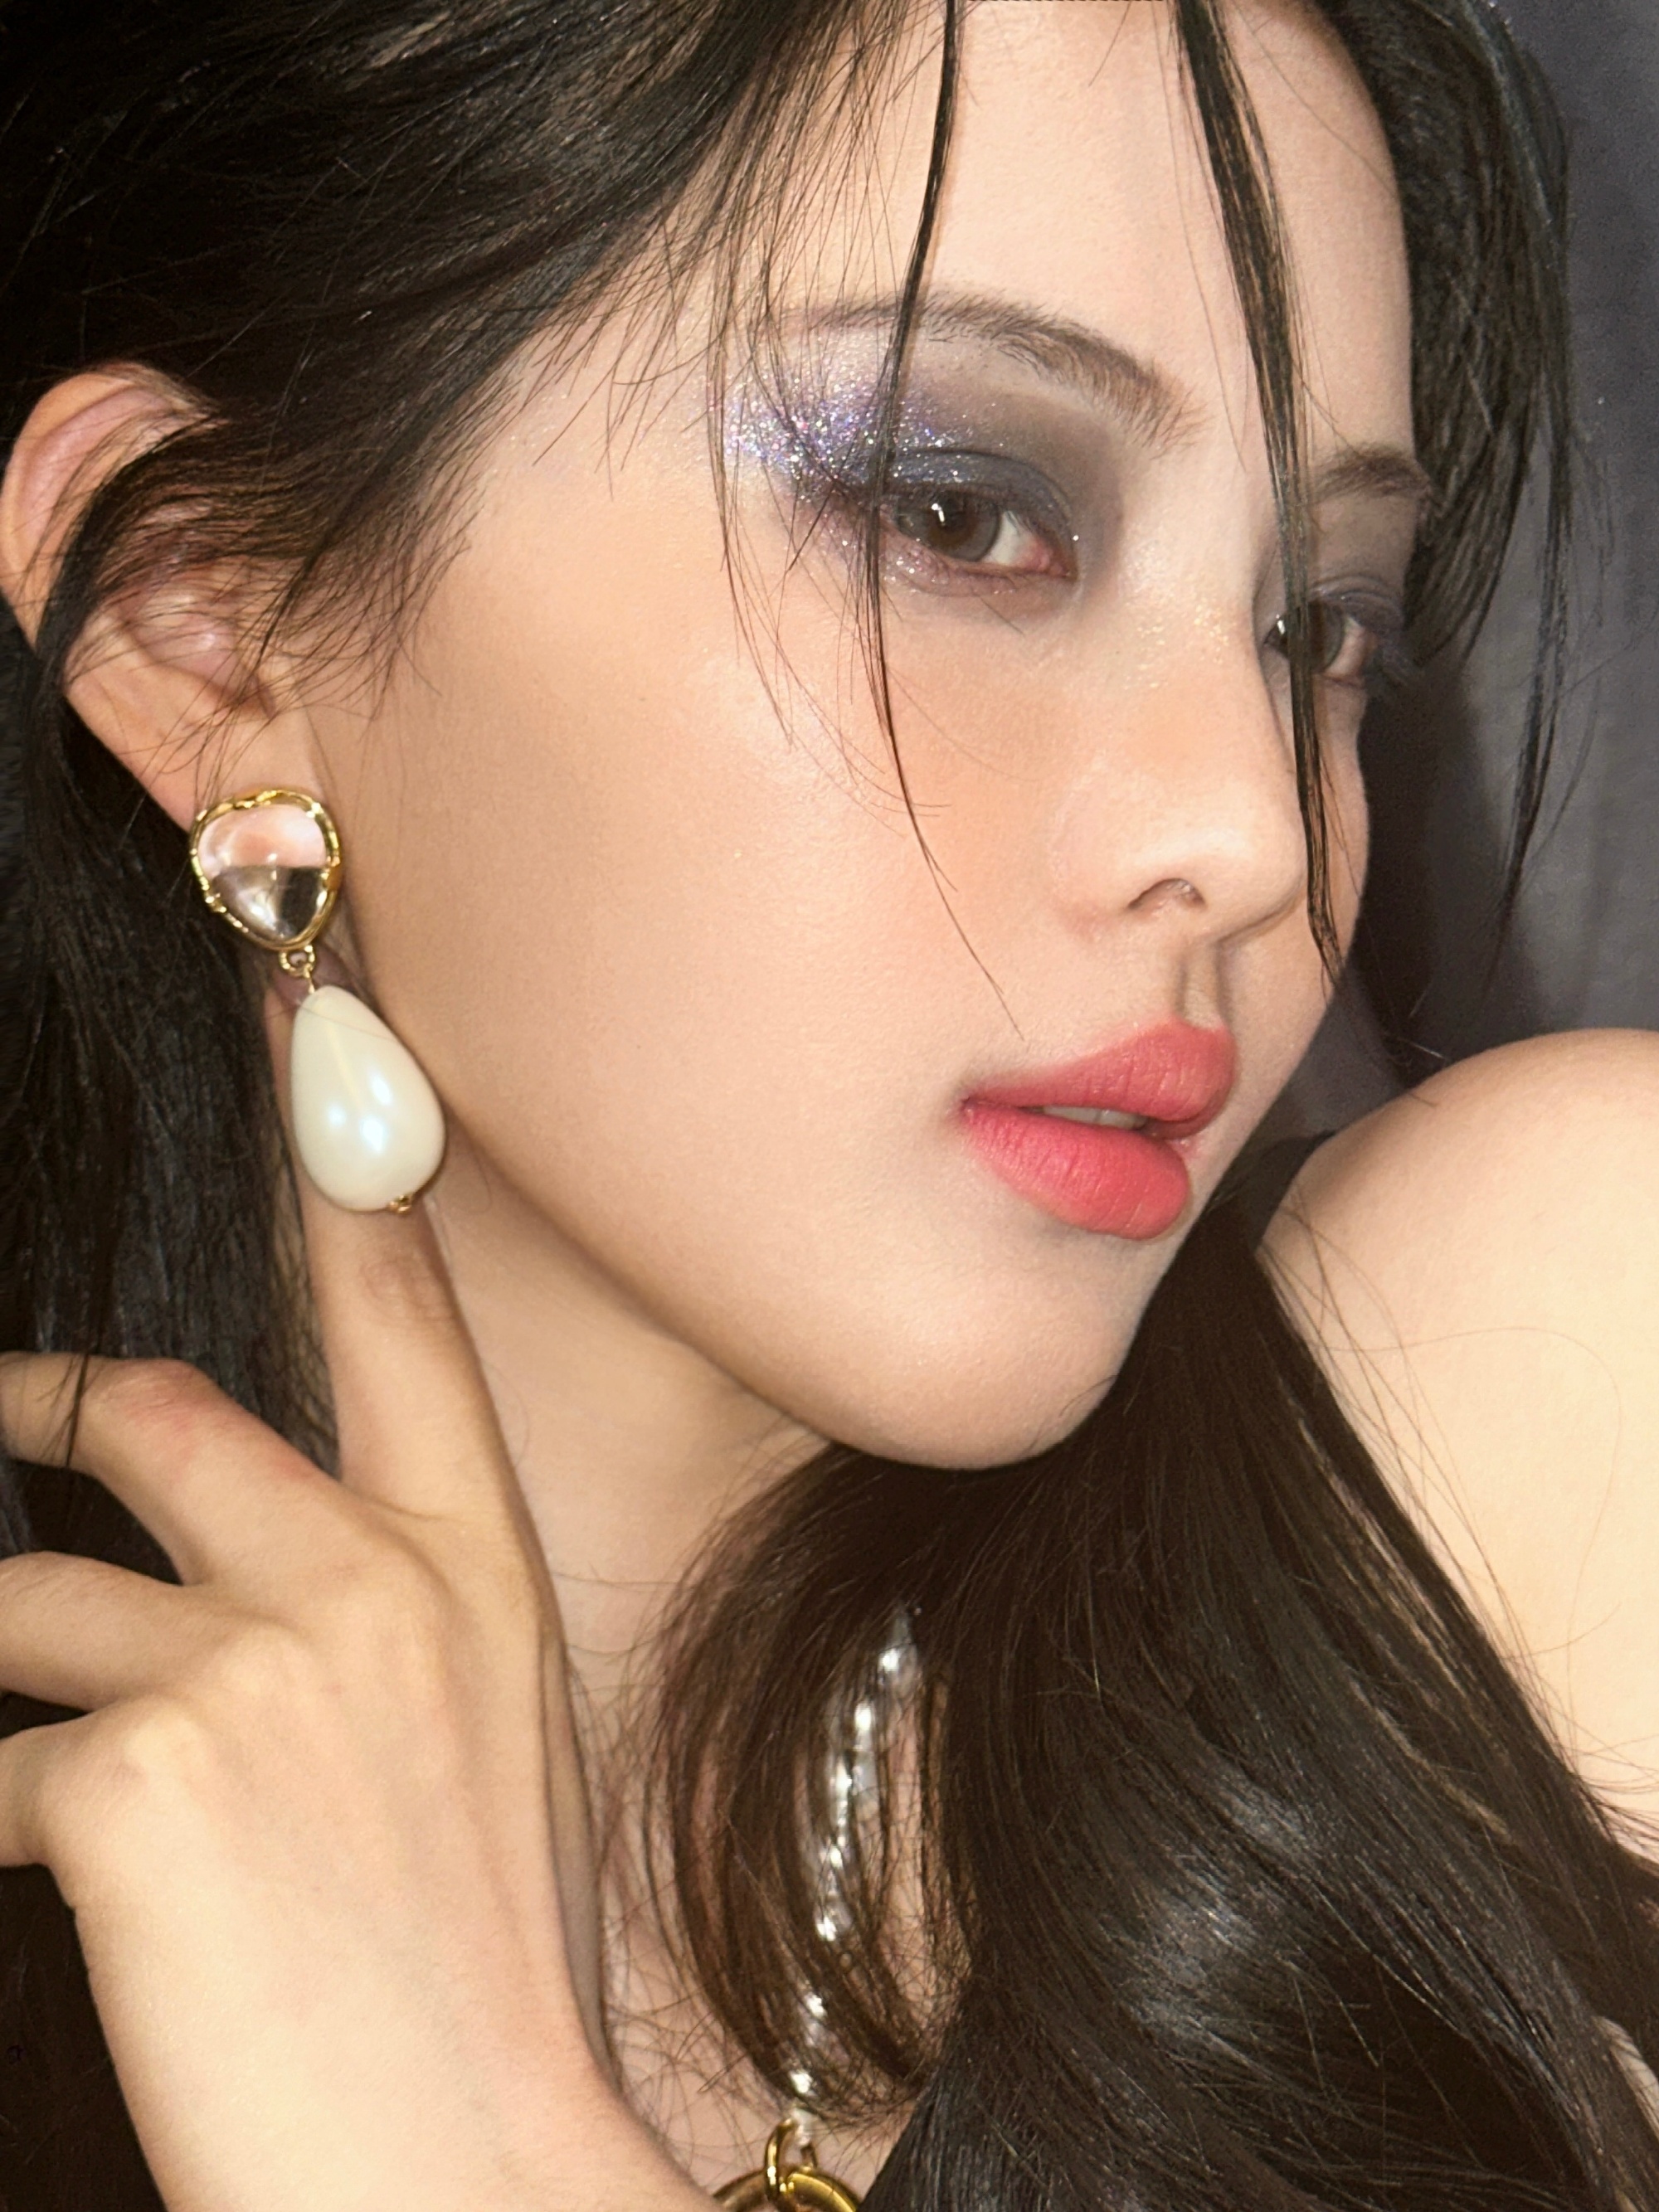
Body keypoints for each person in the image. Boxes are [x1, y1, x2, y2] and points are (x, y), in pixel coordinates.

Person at [1, 0, 1657, 2205]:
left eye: (1321, 624)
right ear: (203, 617)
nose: (1260, 830)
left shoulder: (1547, 1395)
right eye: (962, 512)